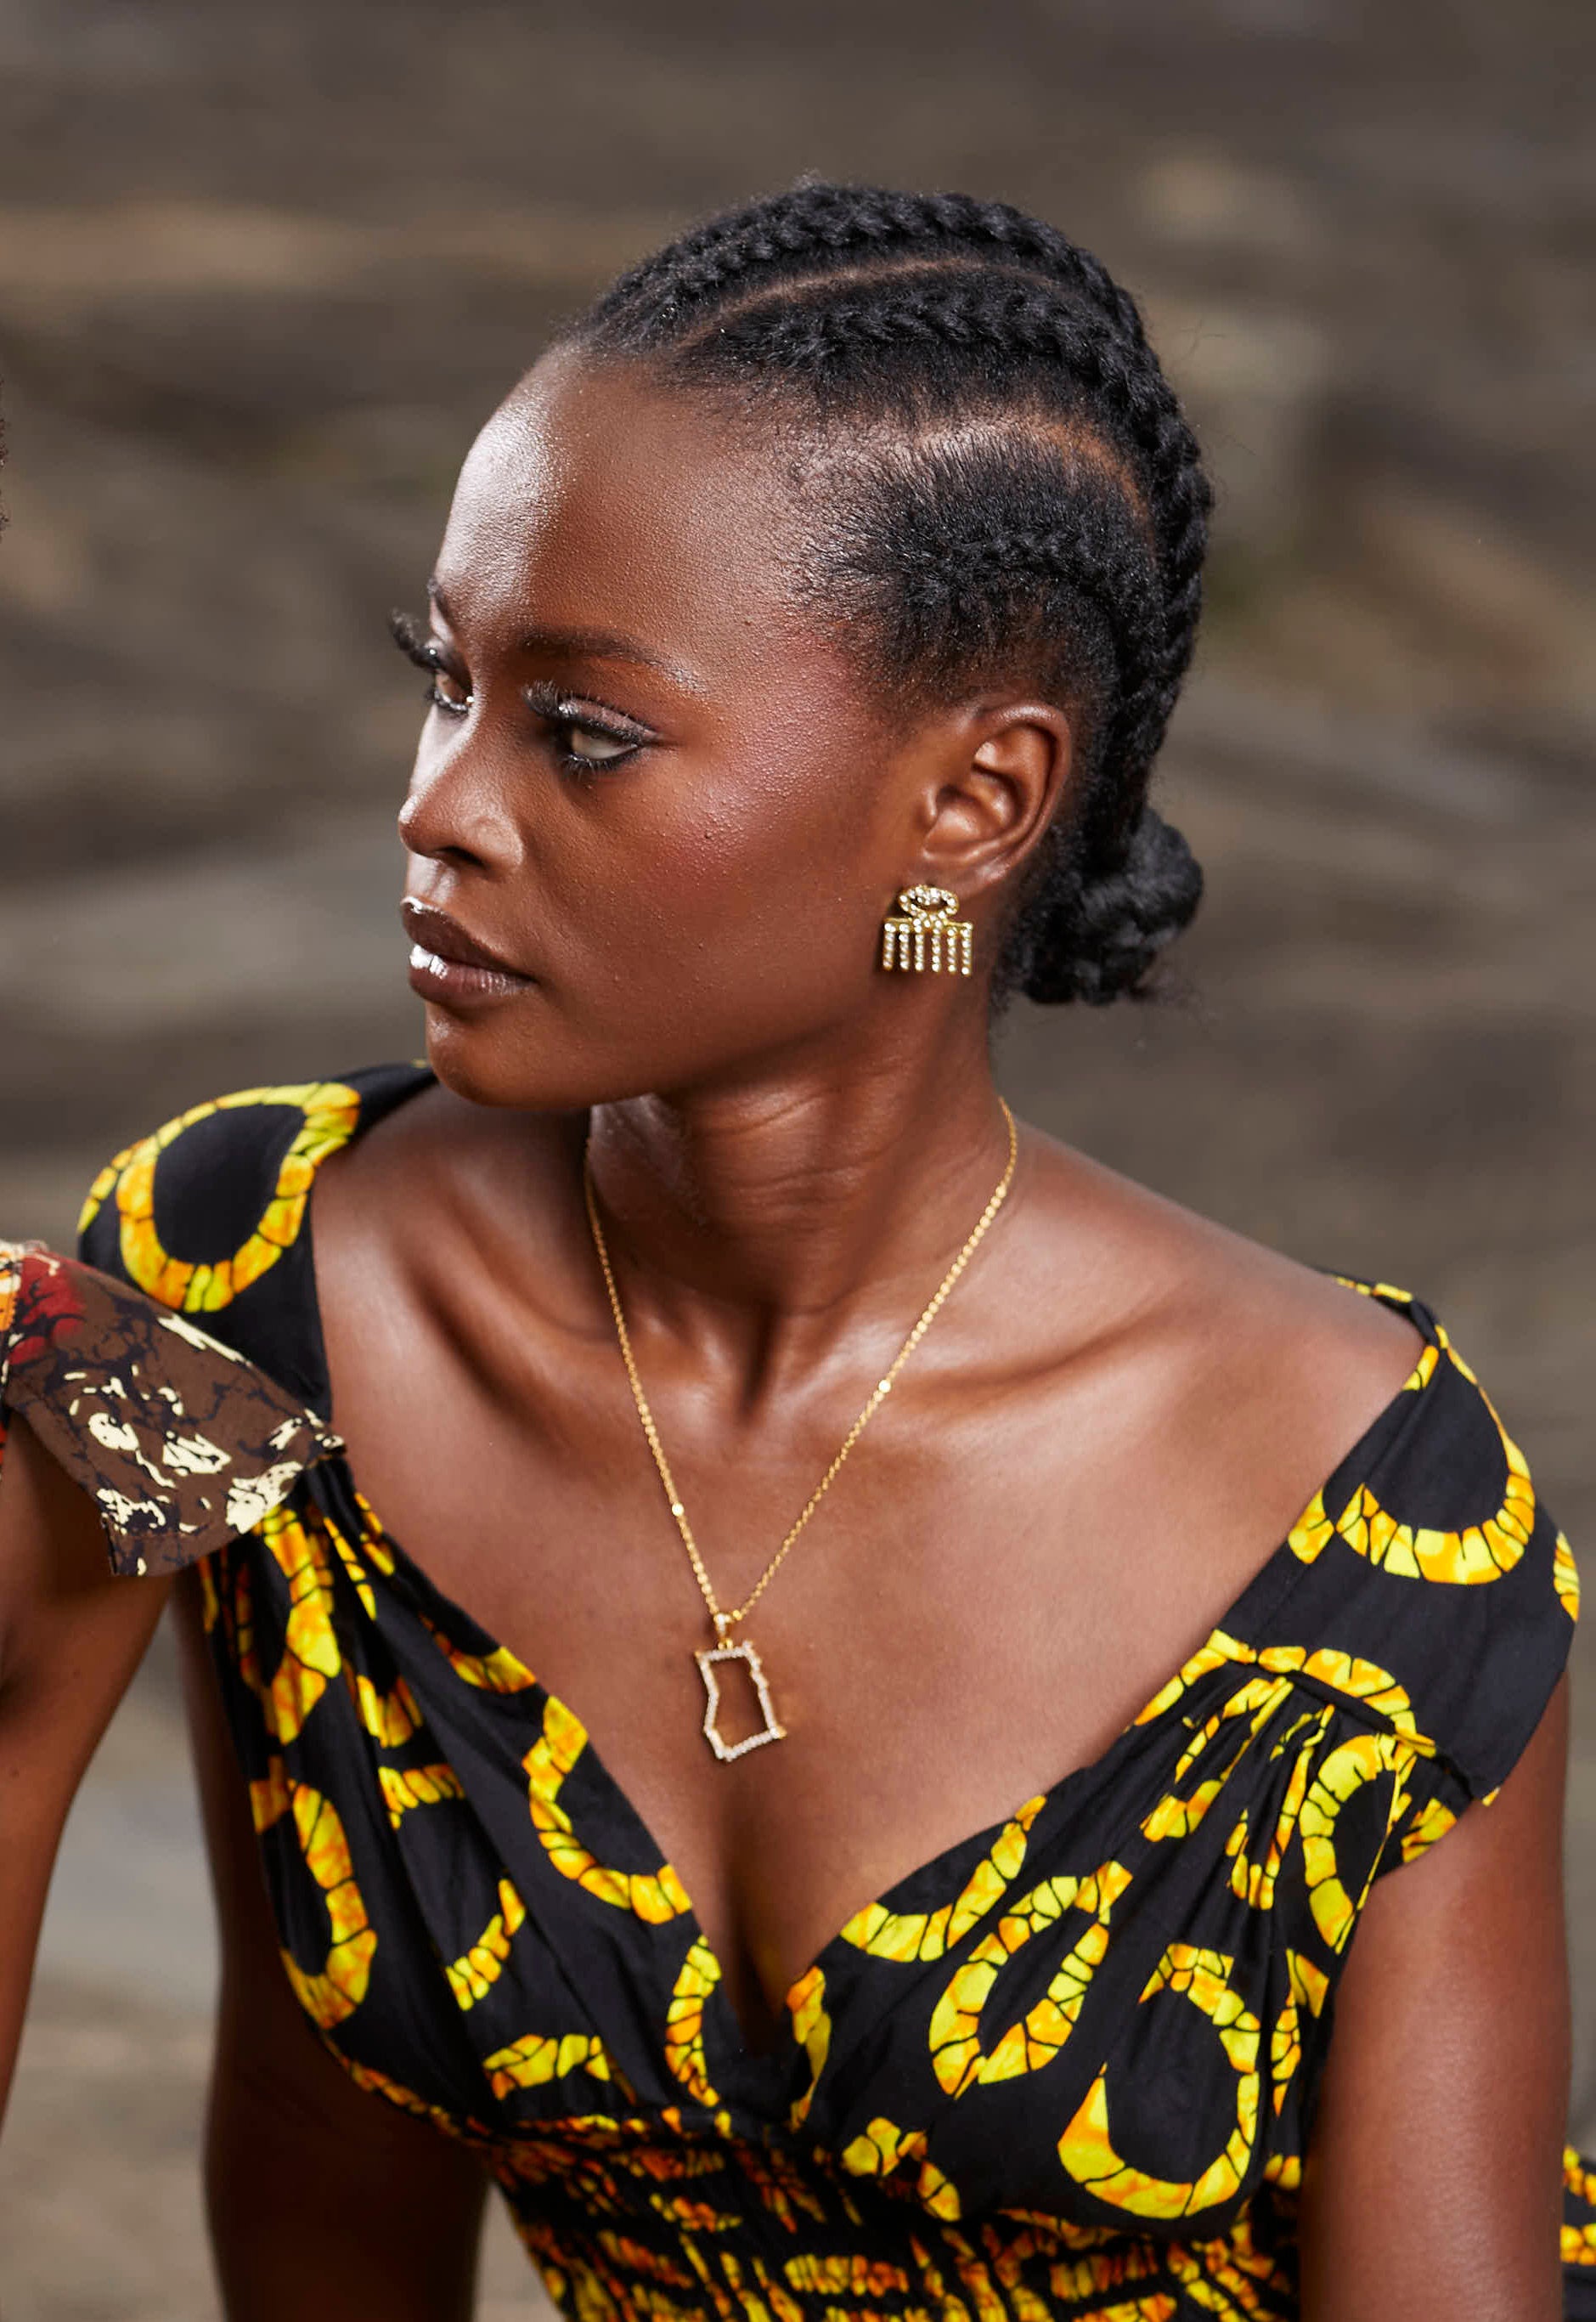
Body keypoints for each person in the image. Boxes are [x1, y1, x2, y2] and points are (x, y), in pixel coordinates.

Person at [1, 183, 1591, 2320]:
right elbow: (314, 2129)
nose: (439, 805)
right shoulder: (233, 1287)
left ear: (973, 804)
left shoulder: (1381, 1524)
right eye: (441, 680)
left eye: (579, 730)